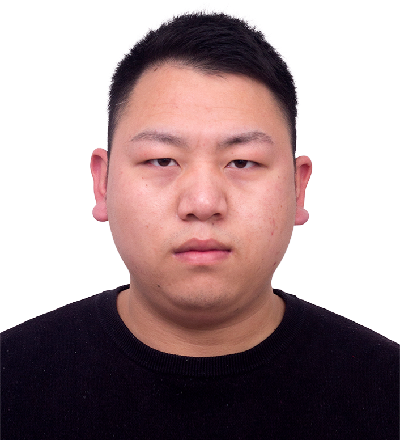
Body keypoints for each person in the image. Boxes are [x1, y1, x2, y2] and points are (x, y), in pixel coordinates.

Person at [1, 4, 399, 439]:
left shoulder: (386, 387)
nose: (204, 203)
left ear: (298, 188)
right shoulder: (11, 378)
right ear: (102, 183)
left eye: (242, 162)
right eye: (162, 160)